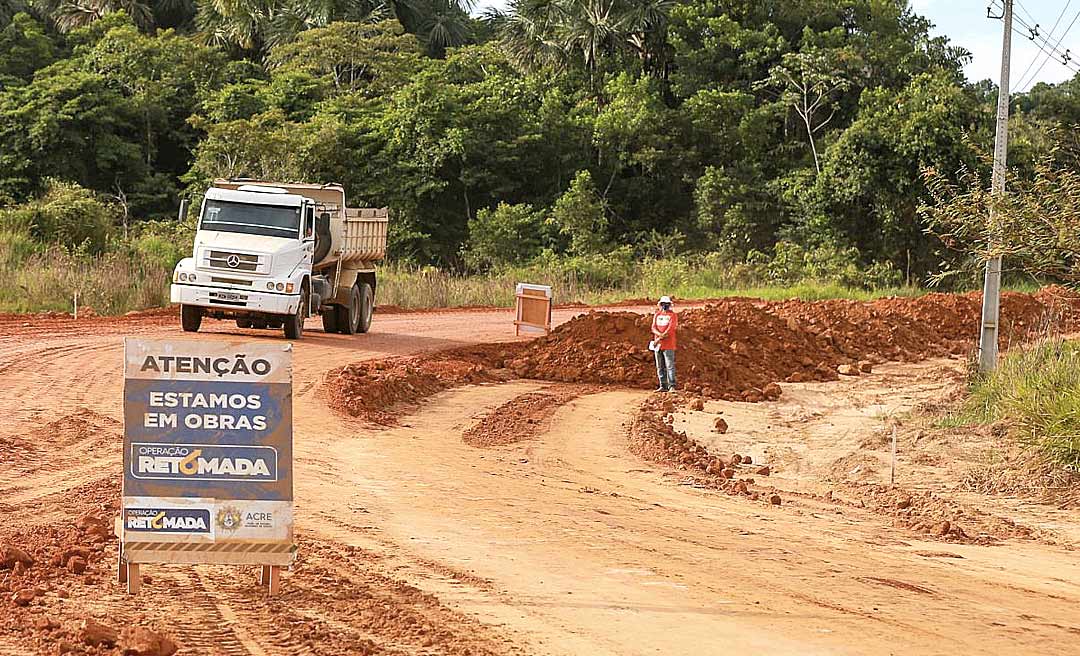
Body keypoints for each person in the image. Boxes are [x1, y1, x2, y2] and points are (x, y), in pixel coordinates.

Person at [651, 296, 677, 392]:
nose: (664, 306)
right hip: (658, 345)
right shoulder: (657, 315)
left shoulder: (673, 316)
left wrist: (659, 338)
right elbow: (653, 328)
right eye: (663, 304)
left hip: (669, 344)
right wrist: (659, 337)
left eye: (666, 304)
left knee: (669, 366)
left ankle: (672, 386)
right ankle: (663, 385)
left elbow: (670, 329)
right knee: (660, 366)